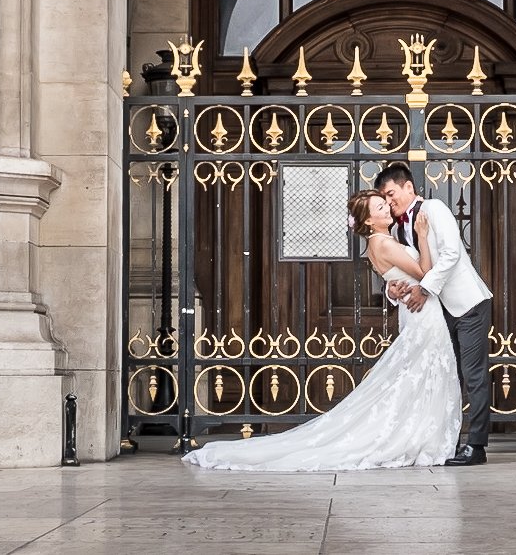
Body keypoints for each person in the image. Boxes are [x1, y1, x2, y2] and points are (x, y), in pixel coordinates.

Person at [184, 188, 460, 471]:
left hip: (414, 311)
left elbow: (396, 278)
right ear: (367, 222)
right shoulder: (385, 244)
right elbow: (425, 273)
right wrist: (423, 236)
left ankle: (418, 433)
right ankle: (417, 436)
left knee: (417, 374)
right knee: (422, 373)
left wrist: (393, 288)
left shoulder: (378, 244)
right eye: (380, 207)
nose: (387, 208)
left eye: (385, 204)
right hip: (422, 313)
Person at [378, 161, 494, 465]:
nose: (390, 202)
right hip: (438, 315)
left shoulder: (434, 208)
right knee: (447, 377)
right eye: (385, 199)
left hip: (468, 305)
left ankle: (477, 446)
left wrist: (425, 289)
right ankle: (448, 441)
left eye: (392, 194)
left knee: (473, 375)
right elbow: (402, 269)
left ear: (408, 187)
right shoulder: (397, 227)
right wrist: (391, 291)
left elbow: (452, 254)